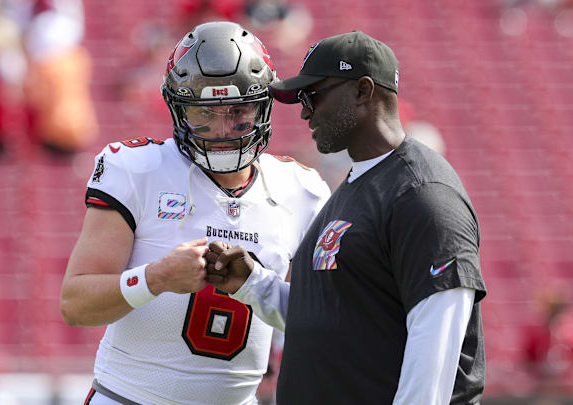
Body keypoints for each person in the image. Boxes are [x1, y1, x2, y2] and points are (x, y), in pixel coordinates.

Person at [206, 30, 488, 404]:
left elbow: (435, 353)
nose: (305, 111)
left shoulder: (423, 194)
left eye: (313, 95)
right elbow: (337, 318)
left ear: (363, 91)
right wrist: (253, 284)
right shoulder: (357, 186)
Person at [60, 21, 330, 405]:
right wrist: (154, 279)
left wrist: (256, 286)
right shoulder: (136, 169)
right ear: (177, 107)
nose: (222, 128)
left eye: (238, 110)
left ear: (264, 105)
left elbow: (323, 319)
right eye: (203, 112)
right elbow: (75, 303)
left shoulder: (301, 190)